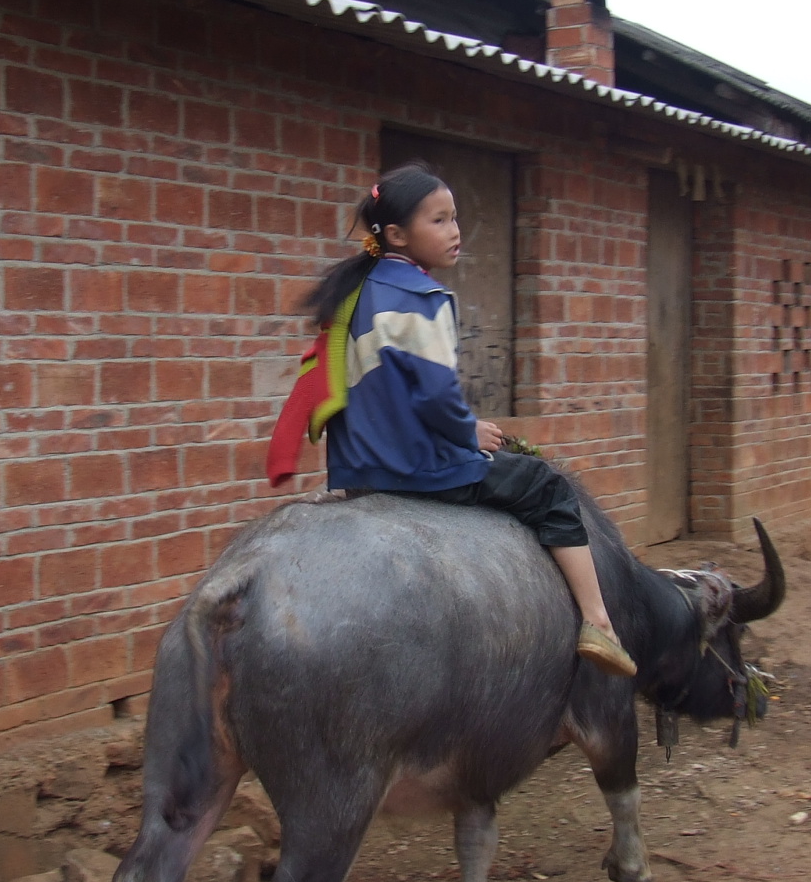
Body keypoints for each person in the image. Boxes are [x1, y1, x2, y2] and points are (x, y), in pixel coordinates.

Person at [268, 161, 637, 678]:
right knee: (550, 488)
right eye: (438, 221)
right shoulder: (424, 299)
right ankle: (599, 622)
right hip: (419, 468)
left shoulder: (353, 296)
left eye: (454, 218)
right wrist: (468, 431)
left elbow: (376, 392)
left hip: (358, 470)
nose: (455, 232)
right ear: (396, 234)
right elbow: (437, 398)